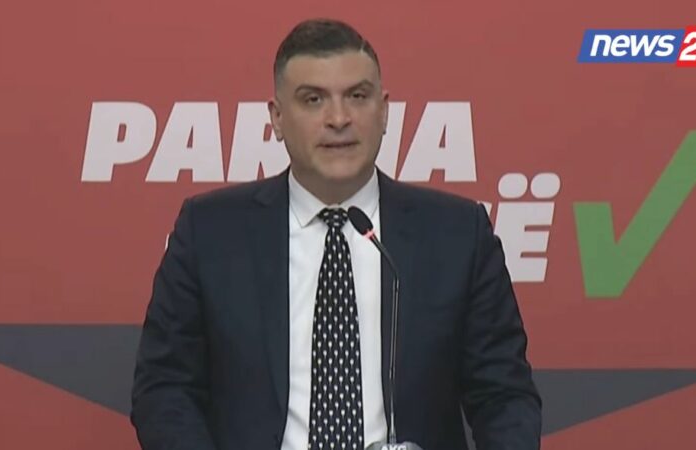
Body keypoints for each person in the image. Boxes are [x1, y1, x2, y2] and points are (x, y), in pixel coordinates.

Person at [131, 18, 541, 450]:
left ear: (384, 111)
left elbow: (504, 396)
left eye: (357, 96)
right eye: (313, 100)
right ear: (277, 118)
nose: (339, 119)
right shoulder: (210, 231)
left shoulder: (457, 233)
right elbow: (164, 389)